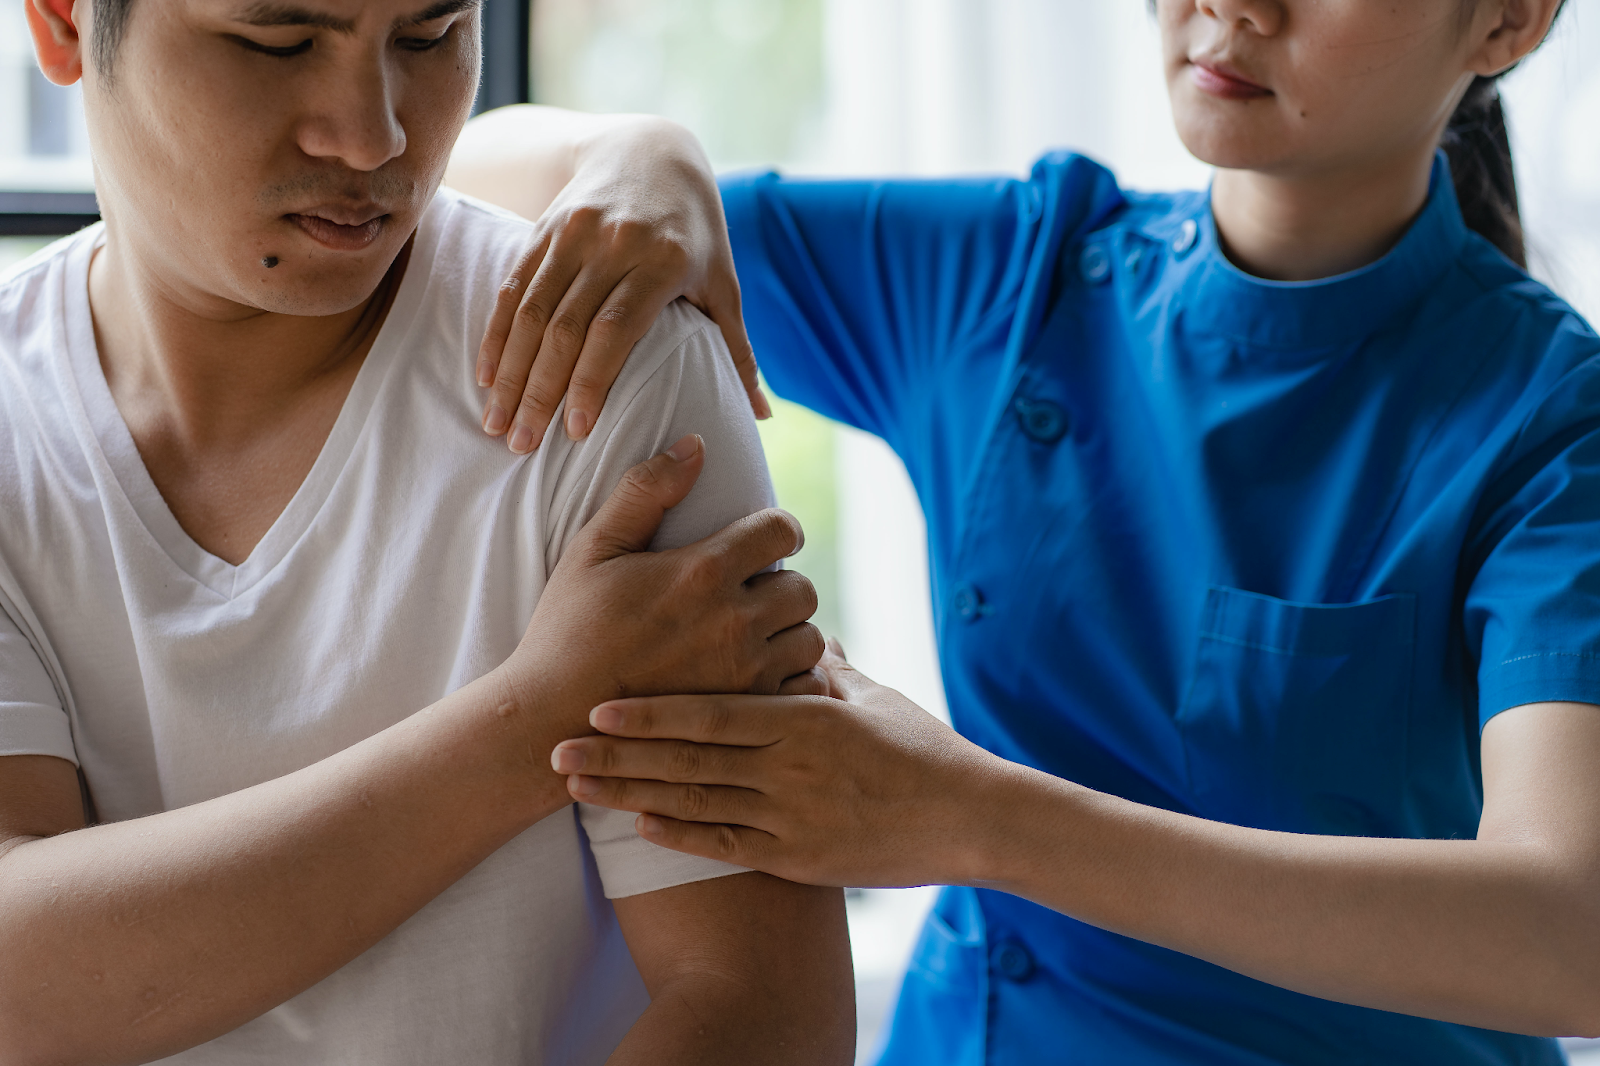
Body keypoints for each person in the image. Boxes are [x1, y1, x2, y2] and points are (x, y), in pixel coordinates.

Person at [449, 0, 1600, 1062]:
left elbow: (1572, 933)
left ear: (1504, 20)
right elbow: (471, 175)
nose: (1236, 4)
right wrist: (649, 159)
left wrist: (967, 818)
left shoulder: (1549, 422)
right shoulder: (1015, 273)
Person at [0, 1, 854, 1064]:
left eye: (429, 37)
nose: (373, 139)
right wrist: (528, 722)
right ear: (64, 25)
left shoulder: (608, 369)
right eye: (278, 41)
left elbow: (757, 1010)